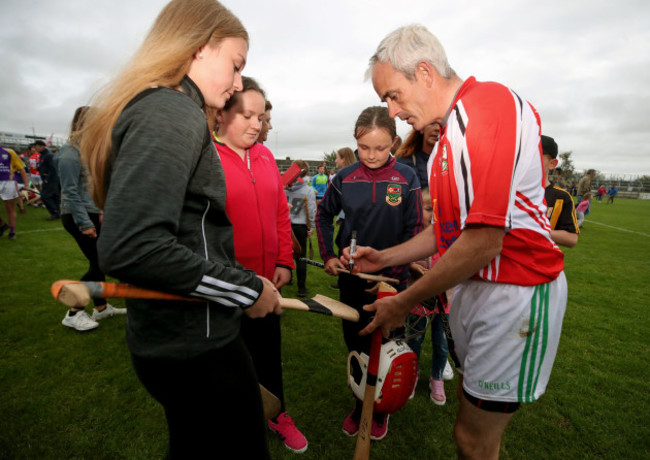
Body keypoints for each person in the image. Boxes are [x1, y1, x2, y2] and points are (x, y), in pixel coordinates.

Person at [345, 25, 567, 460]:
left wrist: (404, 300)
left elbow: (484, 240)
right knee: (473, 434)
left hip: (516, 293)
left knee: (472, 439)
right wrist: (384, 257)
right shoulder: (447, 135)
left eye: (392, 95)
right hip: (477, 290)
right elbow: (448, 229)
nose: (390, 111)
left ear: (425, 73)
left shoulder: (486, 107)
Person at [79, 2, 281, 458]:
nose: (235, 85)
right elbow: (134, 248)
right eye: (236, 66)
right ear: (199, 47)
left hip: (182, 337)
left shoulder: (169, 108)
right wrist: (248, 289)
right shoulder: (172, 111)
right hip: (196, 346)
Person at [316, 105, 422, 441]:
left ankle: (380, 411)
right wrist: (330, 256)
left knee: (387, 347)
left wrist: (391, 271)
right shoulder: (344, 178)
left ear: (393, 141)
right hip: (353, 281)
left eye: (381, 147)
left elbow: (415, 229)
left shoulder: (407, 177)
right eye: (364, 148)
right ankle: (360, 403)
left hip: (393, 283)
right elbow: (322, 217)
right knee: (357, 344)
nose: (372, 155)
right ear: (354, 142)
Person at [213, 76, 307, 453]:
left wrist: (285, 258)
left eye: (261, 116)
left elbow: (281, 213)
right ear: (221, 113)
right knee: (225, 363)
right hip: (222, 288)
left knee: (268, 354)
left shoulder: (266, 156)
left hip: (268, 284)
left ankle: (277, 413)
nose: (258, 124)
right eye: (248, 115)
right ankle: (229, 421)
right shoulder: (204, 157)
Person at [58, 106, 126, 331]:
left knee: (98, 262)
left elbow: (92, 187)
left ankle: (101, 308)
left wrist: (101, 211)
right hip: (77, 216)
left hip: (92, 213)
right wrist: (85, 222)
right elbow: (70, 192)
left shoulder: (88, 151)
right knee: (99, 263)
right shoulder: (69, 153)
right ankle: (73, 312)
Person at [405, 187, 454, 405]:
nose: (433, 214)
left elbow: (460, 263)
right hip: (418, 301)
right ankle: (411, 377)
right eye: (427, 209)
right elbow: (402, 259)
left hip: (444, 304)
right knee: (414, 340)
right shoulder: (412, 235)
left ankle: (436, 378)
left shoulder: (451, 236)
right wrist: (413, 268)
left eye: (438, 210)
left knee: (442, 345)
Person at [285, 159, 316, 298]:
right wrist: (312, 226)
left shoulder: (283, 186)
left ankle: (288, 278)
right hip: (300, 226)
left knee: (285, 253)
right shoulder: (308, 190)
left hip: (285, 224)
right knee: (301, 257)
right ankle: (301, 288)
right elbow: (311, 210)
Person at [541, 135, 579, 248]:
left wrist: (537, 231)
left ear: (552, 163)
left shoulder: (561, 197)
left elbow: (571, 239)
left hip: (541, 262)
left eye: (536, 156)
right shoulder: (509, 191)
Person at [395, 122, 440, 187]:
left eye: (441, 125)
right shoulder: (405, 159)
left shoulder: (452, 161)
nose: (437, 128)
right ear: (422, 129)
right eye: (432, 123)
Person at [0, 146, 30, 240]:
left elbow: (21, 168)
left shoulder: (9, 151)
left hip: (8, 182)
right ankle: (2, 224)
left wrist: (26, 184)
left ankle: (12, 232)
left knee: (10, 208)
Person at [34, 140, 60, 220]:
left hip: (51, 179)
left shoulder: (48, 155)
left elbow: (53, 168)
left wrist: (47, 178)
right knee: (54, 196)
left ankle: (55, 213)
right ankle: (57, 213)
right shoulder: (42, 155)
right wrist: (39, 168)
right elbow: (46, 166)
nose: (35, 148)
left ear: (42, 146)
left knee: (45, 196)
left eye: (36, 146)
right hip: (49, 178)